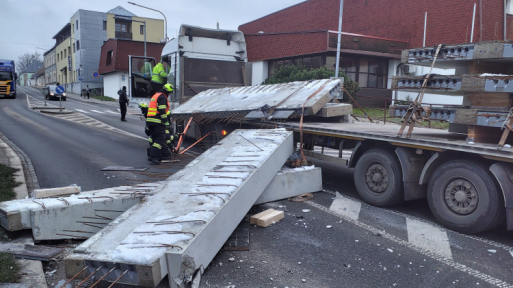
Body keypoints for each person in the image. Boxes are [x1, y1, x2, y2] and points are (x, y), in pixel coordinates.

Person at [146, 84, 173, 164]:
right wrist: (166, 123)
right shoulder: (162, 97)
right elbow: (162, 112)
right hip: (157, 121)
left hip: (150, 120)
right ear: (167, 91)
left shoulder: (156, 95)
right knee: (161, 138)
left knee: (155, 137)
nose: (169, 94)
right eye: (170, 93)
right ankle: (153, 156)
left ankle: (155, 154)